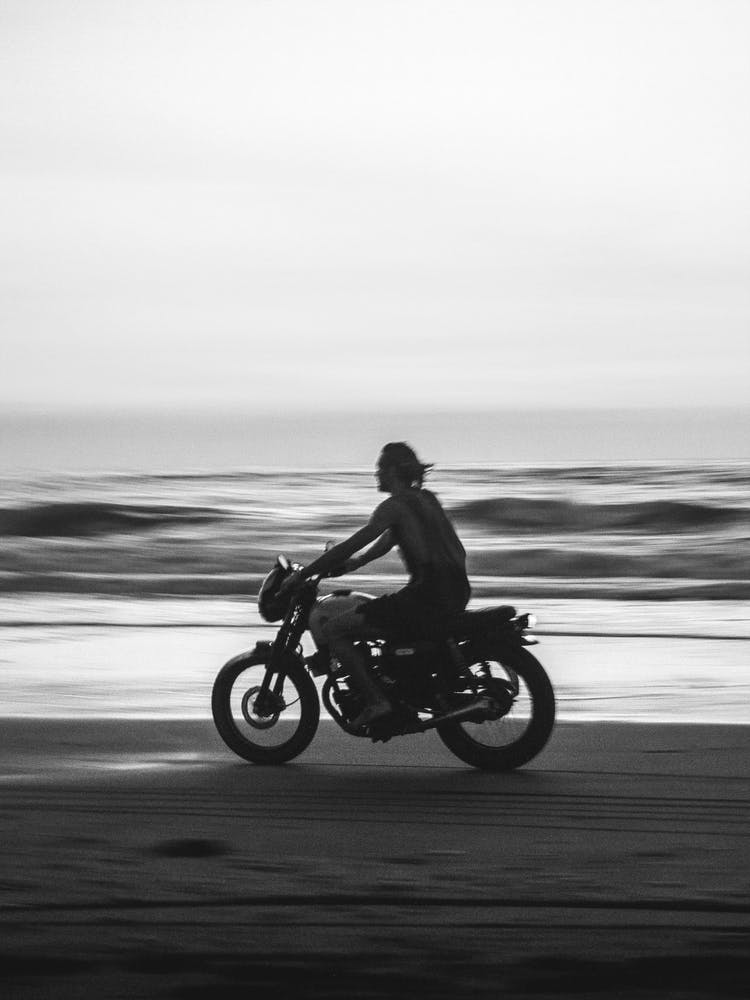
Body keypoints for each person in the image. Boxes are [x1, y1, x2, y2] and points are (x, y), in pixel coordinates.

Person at [278, 442, 471, 730]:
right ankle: (397, 685)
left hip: (426, 595)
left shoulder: (393, 506)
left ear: (393, 471)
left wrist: (305, 573)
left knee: (334, 629)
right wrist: (355, 564)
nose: (376, 474)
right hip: (457, 590)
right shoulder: (426, 499)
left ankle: (377, 702)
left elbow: (356, 541)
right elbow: (390, 540)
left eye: (380, 468)